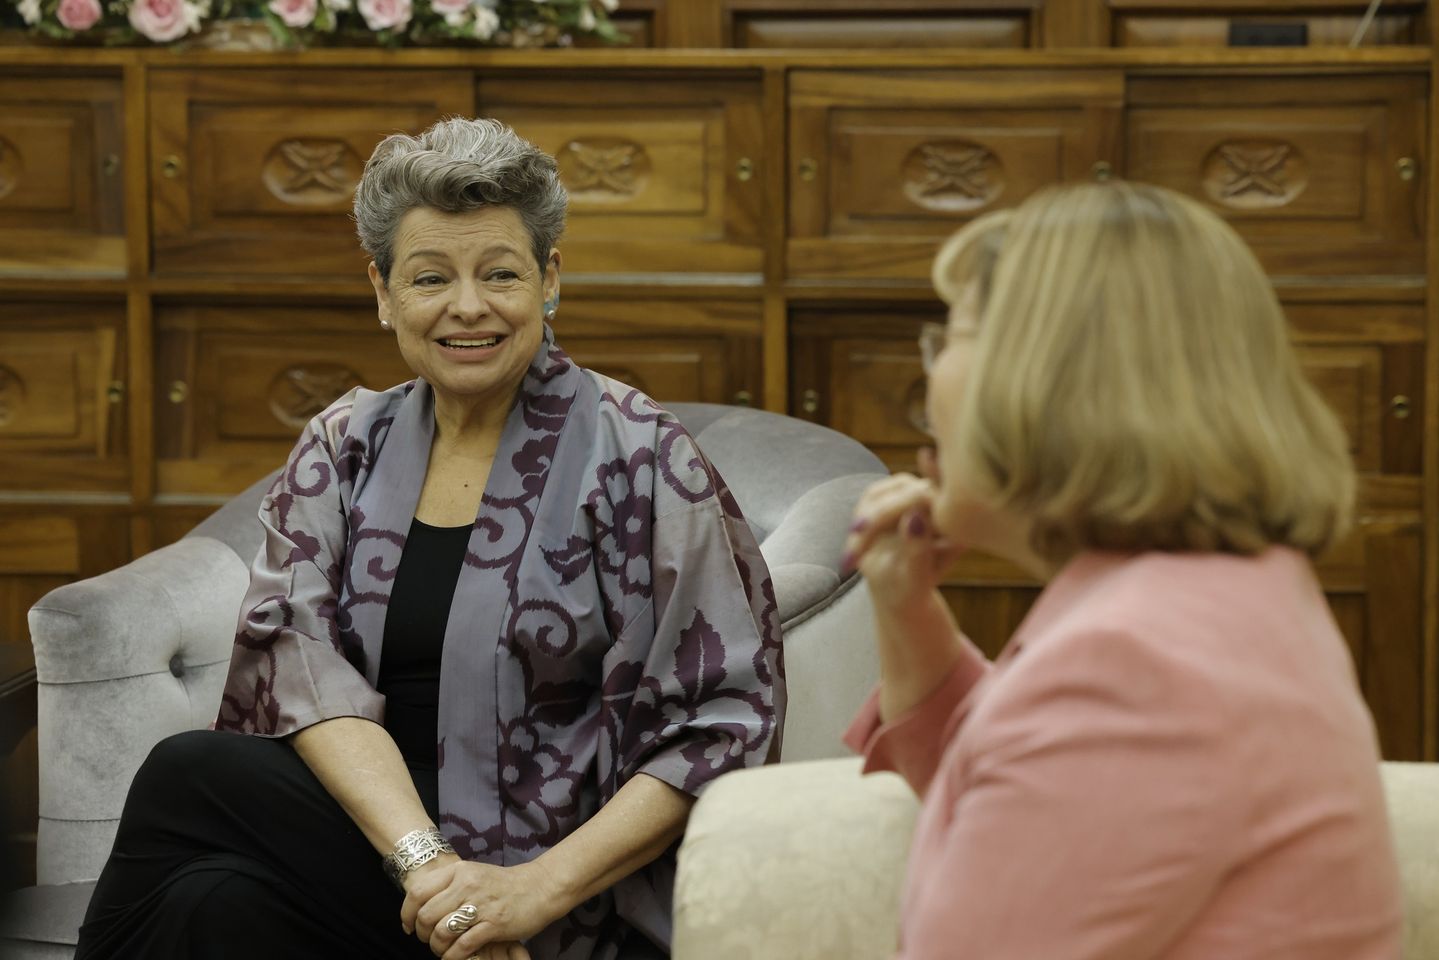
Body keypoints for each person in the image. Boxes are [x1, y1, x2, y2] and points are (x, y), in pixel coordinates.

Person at [74, 117, 784, 960]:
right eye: (429, 277)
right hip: (394, 861)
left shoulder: (641, 456)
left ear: (549, 280)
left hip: (559, 879)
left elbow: (722, 718)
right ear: (383, 293)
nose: (467, 306)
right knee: (208, 902)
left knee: (190, 787)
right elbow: (296, 668)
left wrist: (527, 892)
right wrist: (434, 878)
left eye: (500, 274)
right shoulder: (345, 446)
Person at [841, 182, 1402, 958]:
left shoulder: (1132, 668)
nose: (929, 376)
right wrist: (906, 612)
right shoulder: (1216, 594)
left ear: (1045, 379)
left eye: (951, 338)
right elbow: (1024, 812)